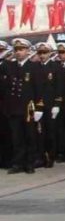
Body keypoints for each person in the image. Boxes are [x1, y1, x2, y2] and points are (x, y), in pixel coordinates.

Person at [1, 38, 45, 174]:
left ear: (28, 51)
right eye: (16, 50)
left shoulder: (35, 67)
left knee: (30, 136)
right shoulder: (9, 66)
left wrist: (39, 107)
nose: (19, 52)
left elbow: (39, 89)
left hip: (28, 109)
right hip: (14, 108)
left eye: (21, 49)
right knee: (16, 137)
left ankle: (29, 163)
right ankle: (18, 163)